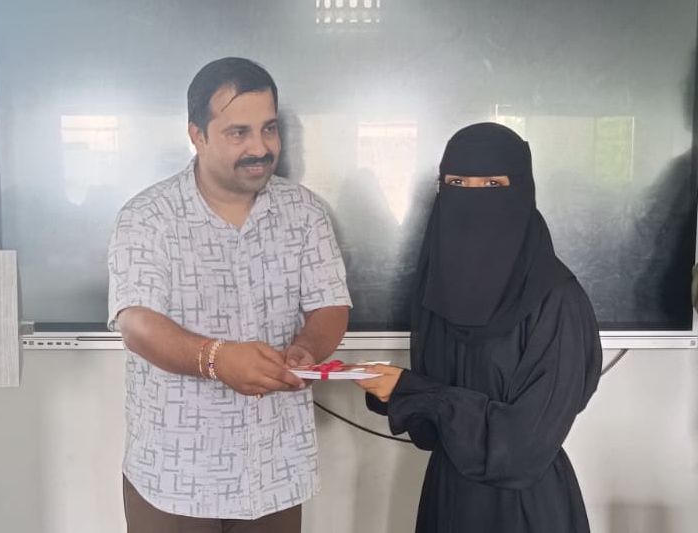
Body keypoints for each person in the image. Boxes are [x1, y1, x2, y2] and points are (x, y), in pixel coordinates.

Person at [107, 57, 351, 533]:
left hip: (275, 469)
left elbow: (331, 304)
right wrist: (217, 359)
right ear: (197, 135)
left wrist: (308, 348)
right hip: (176, 475)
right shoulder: (148, 217)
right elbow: (137, 323)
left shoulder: (304, 213)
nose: (260, 148)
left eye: (269, 129)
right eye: (238, 132)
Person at [357, 122, 602, 533]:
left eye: (491, 183)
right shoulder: (438, 295)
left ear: (521, 190)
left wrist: (416, 393)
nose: (471, 198)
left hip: (523, 509)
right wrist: (397, 390)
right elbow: (432, 434)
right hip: (447, 499)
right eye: (456, 183)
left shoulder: (558, 301)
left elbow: (522, 448)